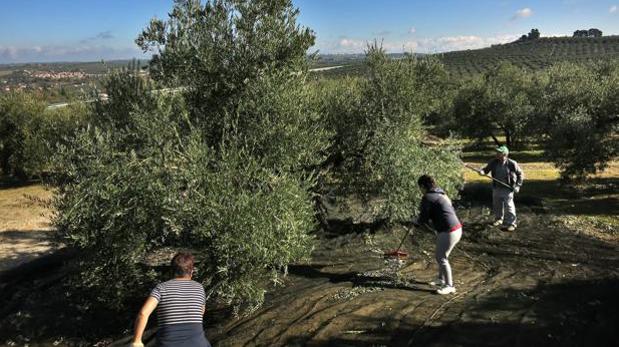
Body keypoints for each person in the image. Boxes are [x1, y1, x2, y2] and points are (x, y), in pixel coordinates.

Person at [131, 252, 211, 347]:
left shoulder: (161, 288)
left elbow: (143, 313)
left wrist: (137, 341)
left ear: (172, 271)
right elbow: (201, 312)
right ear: (192, 271)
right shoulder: (199, 288)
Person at [413, 175, 463, 295]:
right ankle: (441, 279)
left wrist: (415, 221)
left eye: (420, 187)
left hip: (449, 231)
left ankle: (449, 285)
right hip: (455, 228)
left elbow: (423, 219)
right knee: (442, 255)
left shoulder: (428, 197)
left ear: (423, 186)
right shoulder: (440, 192)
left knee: (441, 257)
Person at [478, 145, 524, 232]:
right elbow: (486, 169)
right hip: (496, 187)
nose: (497, 154)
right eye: (497, 152)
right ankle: (499, 219)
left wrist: (518, 185)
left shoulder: (512, 163)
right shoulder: (494, 162)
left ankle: (512, 224)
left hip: (508, 188)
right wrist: (482, 172)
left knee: (509, 206)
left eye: (499, 152)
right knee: (497, 204)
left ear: (504, 154)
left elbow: (520, 174)